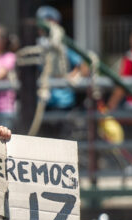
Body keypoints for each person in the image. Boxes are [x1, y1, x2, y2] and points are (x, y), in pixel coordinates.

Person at [34, 6, 89, 138]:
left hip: (63, 103)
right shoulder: (36, 45)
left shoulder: (63, 45)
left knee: (62, 143)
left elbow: (84, 65)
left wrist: (72, 76)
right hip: (42, 103)